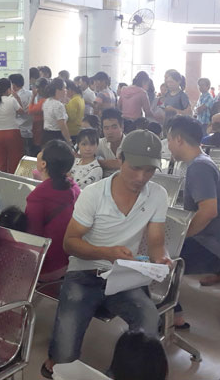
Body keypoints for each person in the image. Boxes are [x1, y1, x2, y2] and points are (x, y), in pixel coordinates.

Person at [41, 130, 171, 378]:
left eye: (149, 170)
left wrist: (161, 258)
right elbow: (70, 243)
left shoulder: (157, 195)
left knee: (148, 321)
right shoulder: (94, 194)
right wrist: (106, 253)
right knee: (63, 360)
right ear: (120, 159)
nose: (141, 177)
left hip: (124, 276)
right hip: (84, 273)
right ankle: (57, 359)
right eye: (135, 168)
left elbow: (156, 241)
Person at [166, 116, 220, 293]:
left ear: (179, 139)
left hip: (214, 247)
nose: (167, 146)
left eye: (168, 140)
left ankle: (172, 313)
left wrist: (180, 237)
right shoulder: (200, 162)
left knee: (154, 258)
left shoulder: (199, 167)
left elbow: (208, 212)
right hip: (212, 242)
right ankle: (172, 311)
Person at [26, 140, 80, 281]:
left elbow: (33, 237)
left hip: (47, 266)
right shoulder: (75, 189)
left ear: (43, 164)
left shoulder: (38, 196)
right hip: (71, 260)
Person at [0, 78, 24, 173]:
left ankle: (1, 180)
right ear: (9, 88)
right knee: (14, 158)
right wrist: (18, 98)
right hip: (13, 133)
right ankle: (13, 180)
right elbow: (22, 112)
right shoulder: (12, 101)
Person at [42, 78, 72, 145]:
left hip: (46, 134)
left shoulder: (47, 101)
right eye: (64, 88)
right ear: (58, 90)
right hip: (56, 135)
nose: (66, 90)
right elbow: (62, 126)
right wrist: (69, 140)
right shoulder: (58, 105)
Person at [9, 73, 33, 155]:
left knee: (20, 153)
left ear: (14, 85)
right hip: (31, 128)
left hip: (19, 129)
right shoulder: (30, 93)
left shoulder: (13, 97)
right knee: (29, 153)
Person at [97, 108, 125, 178]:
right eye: (106, 128)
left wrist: (95, 162)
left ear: (122, 127)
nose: (110, 132)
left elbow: (123, 164)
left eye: (114, 127)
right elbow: (80, 157)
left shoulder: (130, 143)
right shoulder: (101, 143)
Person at [28, 77, 49, 156]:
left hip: (39, 130)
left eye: (37, 88)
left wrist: (33, 96)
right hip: (40, 129)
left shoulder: (43, 101)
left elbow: (30, 110)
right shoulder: (46, 100)